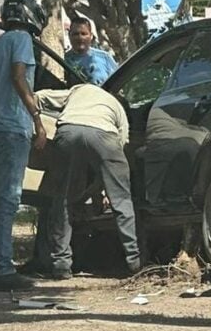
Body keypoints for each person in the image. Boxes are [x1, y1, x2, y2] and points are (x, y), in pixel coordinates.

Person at [35, 84, 141, 278]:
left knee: (62, 199)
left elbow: (39, 97)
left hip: (69, 130)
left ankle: (61, 265)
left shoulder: (79, 90)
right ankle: (134, 262)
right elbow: (119, 147)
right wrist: (104, 190)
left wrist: (36, 124)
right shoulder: (118, 109)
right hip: (104, 134)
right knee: (122, 200)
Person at [0, 0, 47, 291]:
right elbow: (19, 76)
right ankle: (4, 269)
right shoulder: (22, 40)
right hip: (14, 127)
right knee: (9, 200)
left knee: (2, 199)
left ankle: (2, 264)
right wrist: (37, 117)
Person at [64, 18, 117, 85]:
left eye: (84, 34)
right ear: (69, 35)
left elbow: (119, 82)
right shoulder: (64, 60)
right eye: (76, 34)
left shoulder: (105, 58)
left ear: (91, 36)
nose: (80, 38)